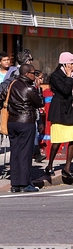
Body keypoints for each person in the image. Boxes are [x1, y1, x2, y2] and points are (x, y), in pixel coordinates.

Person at [0, 64, 44, 193]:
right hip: (26, 122)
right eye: (33, 73)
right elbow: (40, 102)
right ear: (26, 74)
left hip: (12, 122)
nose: (35, 75)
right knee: (25, 154)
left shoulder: (12, 84)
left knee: (15, 153)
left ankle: (15, 184)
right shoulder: (30, 88)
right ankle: (24, 183)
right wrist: (38, 89)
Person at [45, 52, 73, 184]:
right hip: (59, 111)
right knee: (57, 141)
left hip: (70, 110)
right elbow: (65, 91)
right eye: (71, 63)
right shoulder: (56, 76)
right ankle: (50, 164)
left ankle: (67, 167)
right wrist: (68, 76)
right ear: (65, 64)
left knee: (72, 139)